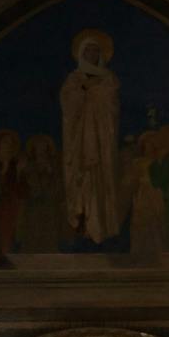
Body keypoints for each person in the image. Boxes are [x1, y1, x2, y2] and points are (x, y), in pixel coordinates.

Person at [59, 30, 124, 243]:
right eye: (88, 50)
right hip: (80, 139)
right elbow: (69, 106)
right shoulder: (74, 79)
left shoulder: (109, 78)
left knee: (101, 179)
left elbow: (111, 104)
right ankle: (82, 221)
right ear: (80, 53)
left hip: (101, 139)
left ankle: (101, 224)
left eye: (96, 50)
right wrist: (83, 93)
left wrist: (91, 91)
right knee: (82, 178)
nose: (92, 54)